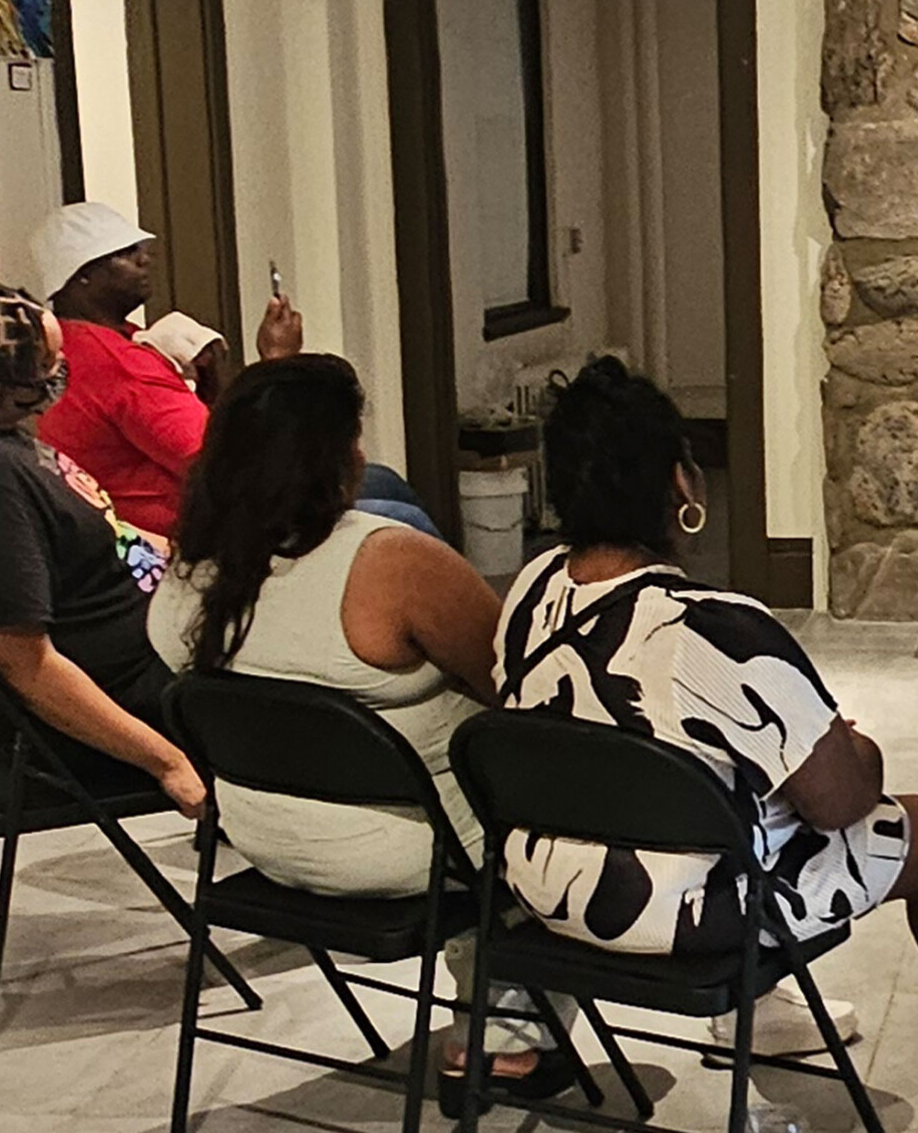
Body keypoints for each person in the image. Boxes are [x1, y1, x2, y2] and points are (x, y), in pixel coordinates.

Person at [496, 356, 918, 1095]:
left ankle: (763, 1014)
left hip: (547, 893)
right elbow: (842, 802)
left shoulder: (528, 592)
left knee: (723, 791)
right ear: (682, 484)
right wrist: (851, 744)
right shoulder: (716, 629)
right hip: (682, 916)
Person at [145, 354, 589, 1108]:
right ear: (340, 454)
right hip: (407, 848)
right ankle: (503, 1038)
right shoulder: (391, 560)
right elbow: (519, 685)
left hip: (260, 832)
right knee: (565, 795)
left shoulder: (188, 571)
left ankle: (500, 1016)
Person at [0, 282, 203, 817]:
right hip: (134, 698)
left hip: (160, 642)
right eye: (50, 363)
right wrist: (167, 763)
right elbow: (29, 668)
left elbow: (106, 532)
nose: (63, 371)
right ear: (1, 384)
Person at [31, 201, 303, 536]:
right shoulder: (121, 364)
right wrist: (278, 360)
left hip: (109, 533)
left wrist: (210, 382)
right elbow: (235, 465)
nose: (144, 259)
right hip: (182, 540)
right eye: (124, 253)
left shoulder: (64, 342)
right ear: (82, 275)